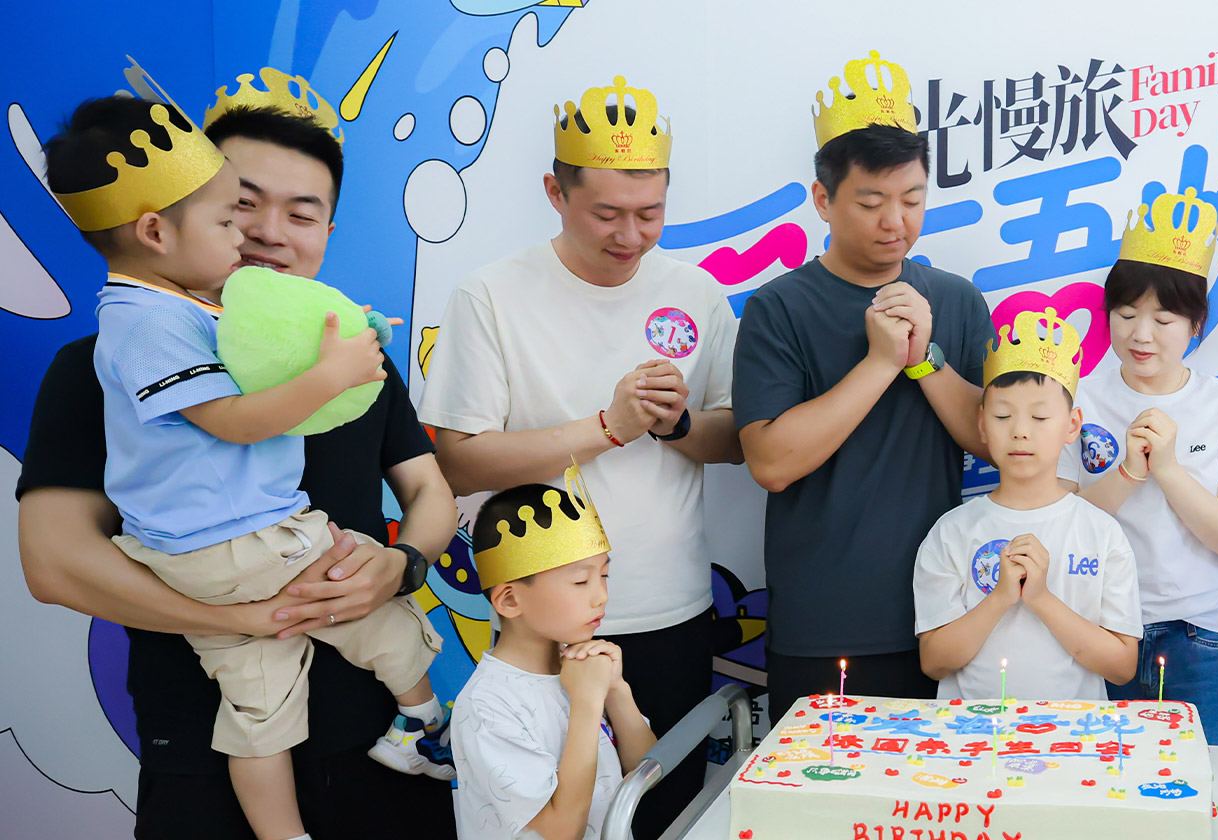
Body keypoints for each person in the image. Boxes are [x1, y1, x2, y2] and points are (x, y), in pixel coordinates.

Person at [18, 66, 458, 840]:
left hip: (376, 740)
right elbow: (55, 565)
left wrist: (403, 566)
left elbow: (430, 493)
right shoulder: (106, 365)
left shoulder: (354, 359)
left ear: (327, 233)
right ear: (166, 220)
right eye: (241, 206)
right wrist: (235, 617)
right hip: (202, 747)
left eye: (302, 213)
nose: (263, 232)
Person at [419, 75, 734, 839]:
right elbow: (459, 462)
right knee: (551, 820)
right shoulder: (491, 296)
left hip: (671, 608)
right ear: (555, 194)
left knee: (667, 811)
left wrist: (676, 424)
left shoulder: (696, 293)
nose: (631, 235)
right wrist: (607, 426)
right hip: (540, 625)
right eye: (607, 214)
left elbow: (732, 441)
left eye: (650, 213)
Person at [734, 51, 992, 713]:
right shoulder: (778, 308)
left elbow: (994, 439)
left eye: (913, 200)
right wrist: (879, 363)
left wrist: (925, 359)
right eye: (871, 202)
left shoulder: (956, 300)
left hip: (946, 613)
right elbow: (770, 463)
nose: (895, 222)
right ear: (823, 200)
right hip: (825, 620)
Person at [1058, 188, 1218, 745]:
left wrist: (1169, 470)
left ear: (1196, 324)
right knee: (1101, 783)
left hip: (1200, 635)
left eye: (1164, 319)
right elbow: (1060, 523)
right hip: (1100, 625)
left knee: (1206, 783)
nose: (1140, 335)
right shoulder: (1078, 399)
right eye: (1126, 315)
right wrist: (1127, 473)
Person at [915, 311, 1142, 699]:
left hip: (1073, 732)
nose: (1020, 431)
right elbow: (934, 662)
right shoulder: (952, 531)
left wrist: (1040, 598)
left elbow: (1121, 667)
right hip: (972, 732)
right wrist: (1001, 597)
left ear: (1072, 425)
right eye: (1003, 416)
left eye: (1039, 416)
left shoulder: (1101, 532)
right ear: (982, 424)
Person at [452, 469, 657, 840]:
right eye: (580, 581)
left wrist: (616, 689)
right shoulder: (488, 705)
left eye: (604, 576)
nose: (601, 596)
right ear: (509, 600)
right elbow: (561, 831)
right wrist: (587, 702)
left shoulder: (581, 665)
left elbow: (647, 772)